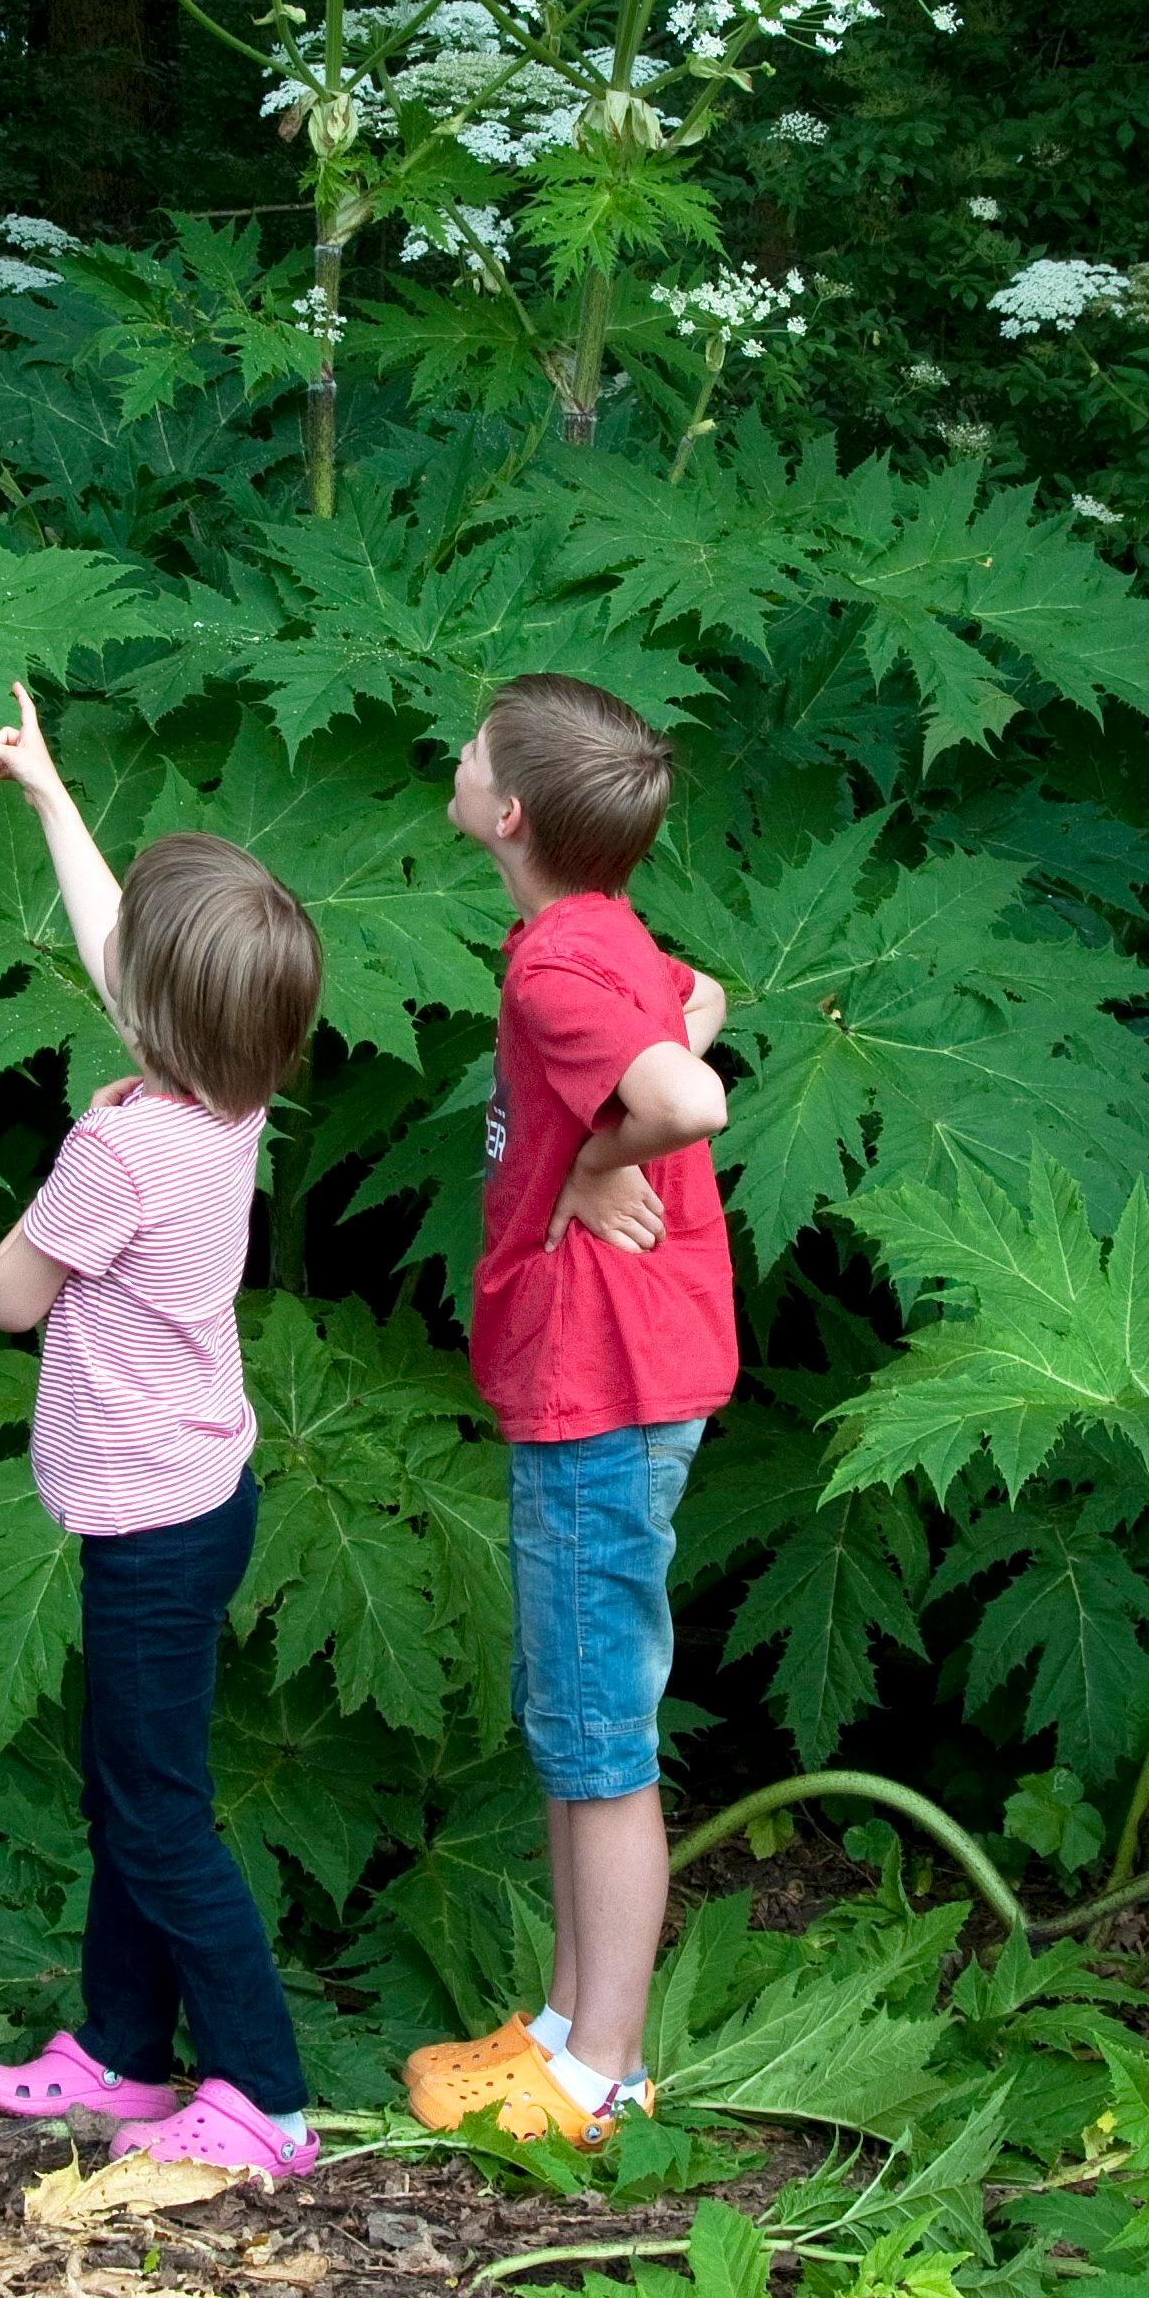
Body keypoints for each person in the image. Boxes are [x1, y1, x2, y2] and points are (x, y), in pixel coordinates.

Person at [0, 683, 327, 2181]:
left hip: (150, 1528)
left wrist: (70, 1160)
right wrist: (50, 793)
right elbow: (128, 948)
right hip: (194, 1496)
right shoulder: (224, 1103)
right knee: (133, 1788)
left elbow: (7, 1299)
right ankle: (117, 2053)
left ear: (155, 1023)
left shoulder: (120, 1142)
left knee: (158, 1814)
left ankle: (266, 2096)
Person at [406, 673, 736, 2151]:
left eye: (472, 753)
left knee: (601, 1739)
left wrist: (614, 1154)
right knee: (572, 1721)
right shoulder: (599, 940)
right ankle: (558, 2027)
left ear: (512, 814)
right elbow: (701, 1001)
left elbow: (694, 1092)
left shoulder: (555, 972)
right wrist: (602, 1138)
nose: (457, 764)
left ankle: (604, 2072)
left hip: (604, 1392)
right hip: (611, 1378)